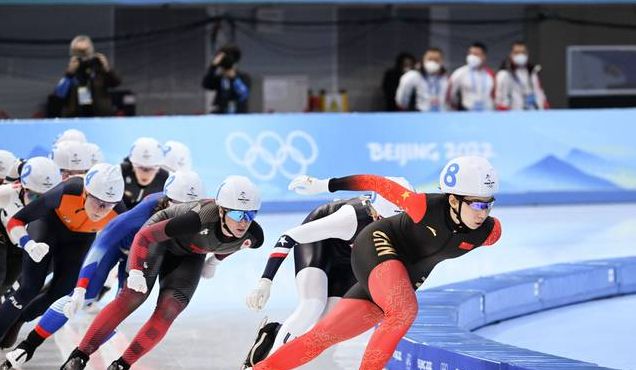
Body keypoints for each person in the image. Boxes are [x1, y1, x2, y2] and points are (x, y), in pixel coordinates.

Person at [248, 156, 502, 370]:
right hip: (375, 245)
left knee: (322, 336)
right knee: (404, 310)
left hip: (400, 278)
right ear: (453, 200)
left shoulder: (489, 232)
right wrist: (325, 184)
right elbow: (377, 184)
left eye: (488, 205)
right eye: (476, 204)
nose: (483, 213)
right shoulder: (423, 206)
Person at [2, 171, 204, 369]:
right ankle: (28, 346)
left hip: (152, 251)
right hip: (124, 247)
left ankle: (81, 358)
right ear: (165, 200)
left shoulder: (206, 214)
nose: (179, 216)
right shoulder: (141, 212)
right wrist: (81, 288)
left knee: (122, 307)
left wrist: (216, 259)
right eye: (176, 207)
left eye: (188, 210)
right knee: (78, 297)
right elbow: (103, 245)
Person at [60, 175, 264, 370]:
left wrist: (215, 261)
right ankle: (79, 356)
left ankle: (122, 364)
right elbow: (145, 235)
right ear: (221, 210)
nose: (243, 222)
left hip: (190, 253)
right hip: (157, 239)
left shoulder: (254, 236)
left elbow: (233, 244)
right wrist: (137, 271)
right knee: (133, 296)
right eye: (237, 214)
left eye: (250, 214)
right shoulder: (197, 219)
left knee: (170, 309)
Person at [243, 177, 413, 368]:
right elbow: (288, 236)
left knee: (323, 331)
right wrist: (266, 281)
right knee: (312, 305)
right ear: (373, 211)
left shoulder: (409, 224)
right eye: (382, 220)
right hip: (320, 245)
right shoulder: (350, 218)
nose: (388, 229)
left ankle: (273, 334)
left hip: (351, 256)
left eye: (397, 224)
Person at [0, 163, 126, 349]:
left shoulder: (119, 212)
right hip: (48, 227)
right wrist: (28, 243)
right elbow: (16, 220)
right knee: (29, 288)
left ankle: (20, 320)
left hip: (80, 239)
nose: (100, 210)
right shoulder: (67, 190)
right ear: (85, 192)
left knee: (60, 294)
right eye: (97, 202)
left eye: (108, 206)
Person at [0, 158, 62, 299]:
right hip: (4, 232)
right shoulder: (7, 193)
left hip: (23, 245)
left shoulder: (58, 205)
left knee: (7, 284)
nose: (38, 203)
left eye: (44, 198)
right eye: (33, 196)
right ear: (22, 188)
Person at [48, 35, 121, 118]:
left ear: (91, 51)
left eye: (85, 52)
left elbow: (116, 83)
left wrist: (107, 68)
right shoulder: (70, 71)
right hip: (75, 116)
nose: (83, 56)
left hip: (100, 115)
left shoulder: (98, 68)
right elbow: (59, 94)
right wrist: (69, 74)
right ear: (73, 52)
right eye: (79, 52)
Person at [495, 41, 549, 110]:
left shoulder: (532, 72)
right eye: (517, 53)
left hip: (533, 113)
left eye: (523, 53)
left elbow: (539, 93)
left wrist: (543, 108)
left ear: (527, 54)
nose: (520, 55)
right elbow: (500, 99)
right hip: (514, 115)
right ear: (511, 55)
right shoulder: (504, 74)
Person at [121, 137, 169, 209]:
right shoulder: (121, 173)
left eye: (151, 168)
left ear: (159, 168)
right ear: (132, 165)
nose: (146, 173)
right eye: (141, 167)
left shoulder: (165, 180)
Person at [201, 44, 251, 114]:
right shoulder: (220, 78)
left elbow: (243, 93)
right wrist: (213, 67)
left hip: (239, 114)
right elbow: (206, 84)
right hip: (221, 114)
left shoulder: (243, 77)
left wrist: (234, 78)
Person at [395, 48, 449, 112]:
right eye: (430, 59)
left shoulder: (446, 78)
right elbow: (401, 99)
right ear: (424, 60)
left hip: (442, 114)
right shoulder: (413, 76)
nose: (432, 62)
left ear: (442, 61)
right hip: (421, 113)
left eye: (436, 60)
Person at [448, 42, 495, 111]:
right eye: (470, 54)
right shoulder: (459, 73)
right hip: (467, 111)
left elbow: (494, 95)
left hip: (487, 112)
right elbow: (451, 94)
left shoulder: (490, 74)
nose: (472, 57)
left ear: (484, 56)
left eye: (476, 54)